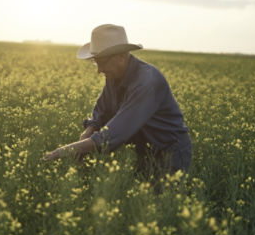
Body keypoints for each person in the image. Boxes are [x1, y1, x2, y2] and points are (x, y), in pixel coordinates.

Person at [44, 24, 192, 182]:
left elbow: (111, 135)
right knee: (141, 202)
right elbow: (101, 112)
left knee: (163, 203)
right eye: (96, 62)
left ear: (121, 56)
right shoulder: (113, 77)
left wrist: (62, 152)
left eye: (102, 62)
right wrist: (87, 132)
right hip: (144, 152)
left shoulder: (146, 82)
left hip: (169, 153)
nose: (99, 70)